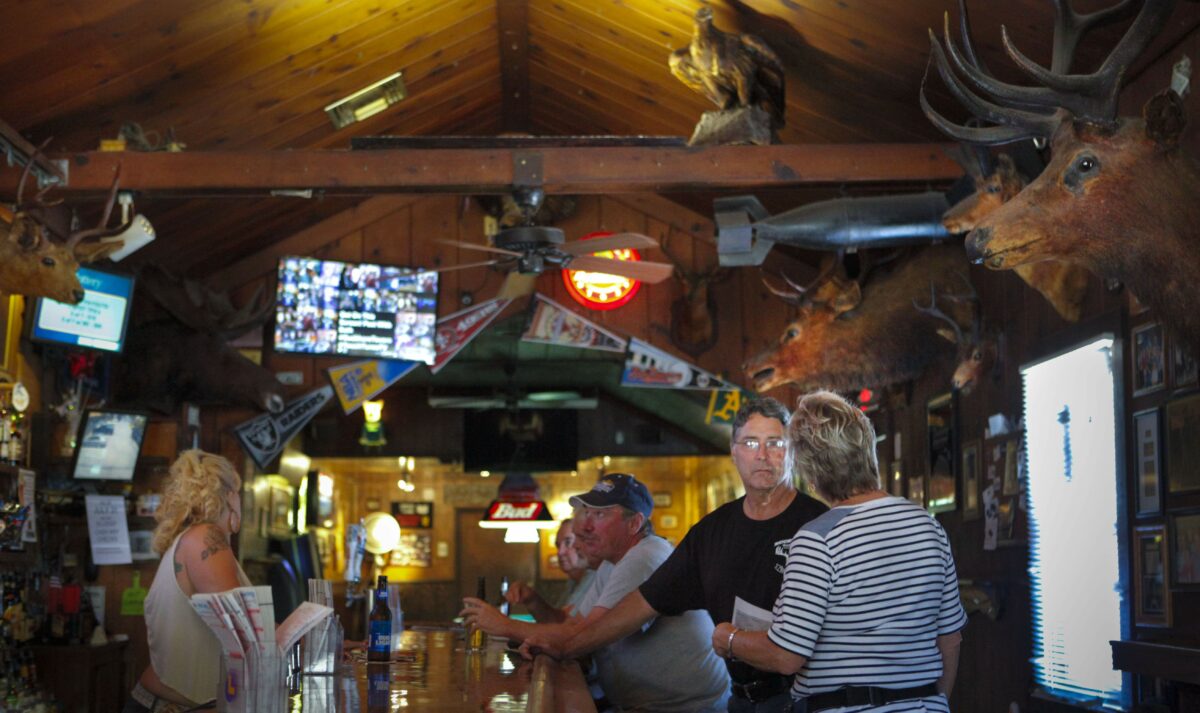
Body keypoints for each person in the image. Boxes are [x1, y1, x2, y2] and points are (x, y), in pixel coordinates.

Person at [523, 398, 827, 712]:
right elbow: (642, 603)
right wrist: (566, 647)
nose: (762, 454)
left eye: (775, 442)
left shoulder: (819, 524)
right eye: (750, 442)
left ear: (791, 450)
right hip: (739, 701)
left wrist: (731, 639)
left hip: (805, 701)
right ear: (734, 452)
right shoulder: (712, 531)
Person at [709, 390, 966, 712]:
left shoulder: (818, 538)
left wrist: (729, 639)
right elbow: (950, 639)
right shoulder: (927, 526)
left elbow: (786, 656)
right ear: (866, 448)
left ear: (811, 471)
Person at [461, 473, 730, 713]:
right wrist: (531, 612)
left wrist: (504, 625)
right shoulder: (612, 563)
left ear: (634, 523)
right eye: (586, 513)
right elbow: (573, 625)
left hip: (687, 707)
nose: (585, 526)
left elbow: (586, 634)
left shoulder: (645, 556)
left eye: (600, 515)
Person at [124, 450, 251, 713]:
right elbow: (244, 624)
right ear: (229, 495)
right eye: (238, 491)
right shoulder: (205, 538)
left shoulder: (192, 539)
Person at [505, 518, 595, 622]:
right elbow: (557, 624)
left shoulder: (597, 578)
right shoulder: (572, 582)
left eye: (568, 542)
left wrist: (505, 625)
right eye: (557, 545)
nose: (560, 552)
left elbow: (568, 630)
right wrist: (531, 599)